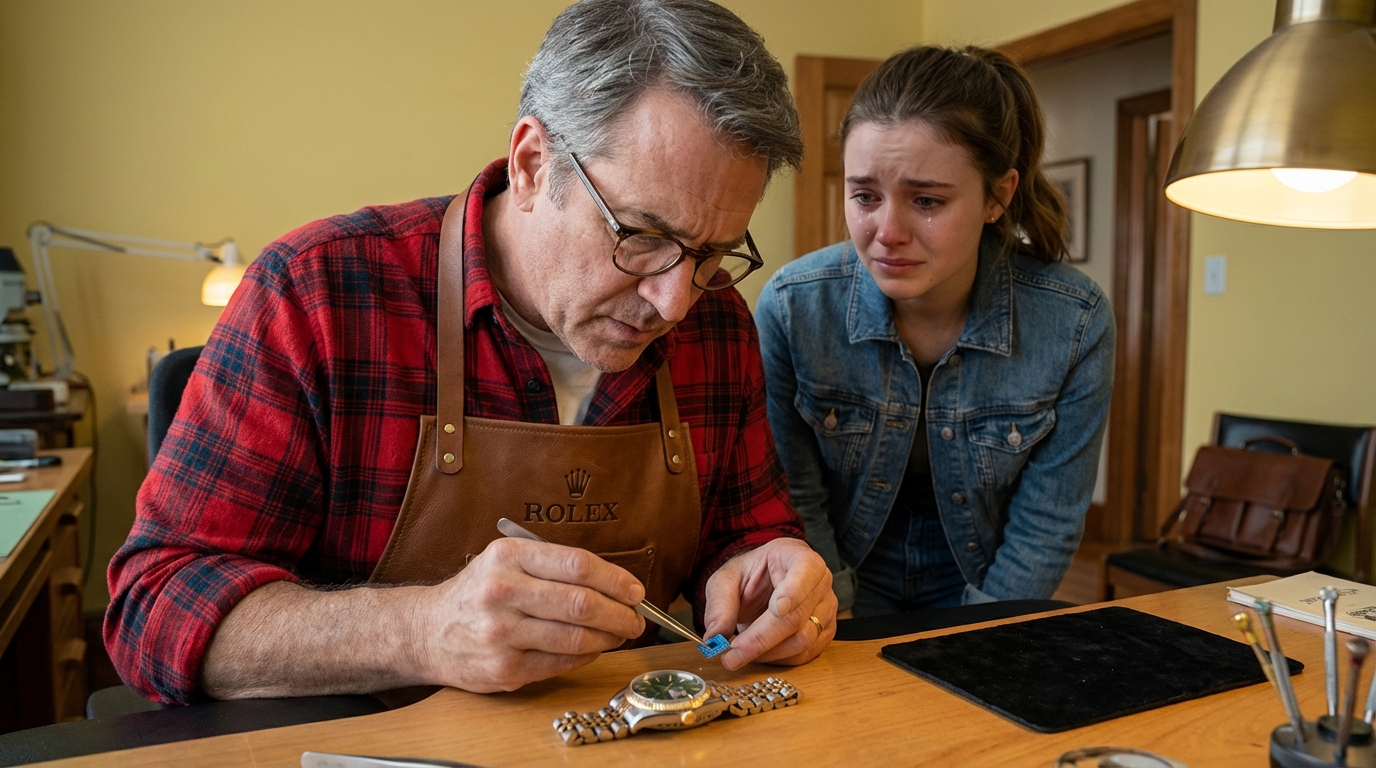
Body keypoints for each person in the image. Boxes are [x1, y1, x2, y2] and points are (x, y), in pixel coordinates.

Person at [107, 0, 836, 706]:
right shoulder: (318, 295)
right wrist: (420, 632)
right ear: (530, 164)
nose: (675, 302)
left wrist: (769, 576)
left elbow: (747, 534)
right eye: (641, 236)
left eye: (710, 254)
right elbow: (156, 607)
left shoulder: (715, 322)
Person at [756, 45, 1114, 617]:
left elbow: (1048, 520)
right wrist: (836, 614)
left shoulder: (1073, 320)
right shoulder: (793, 307)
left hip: (987, 581)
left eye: (926, 201)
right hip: (833, 576)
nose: (887, 231)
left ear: (998, 196)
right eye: (865, 196)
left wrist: (983, 633)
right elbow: (794, 493)